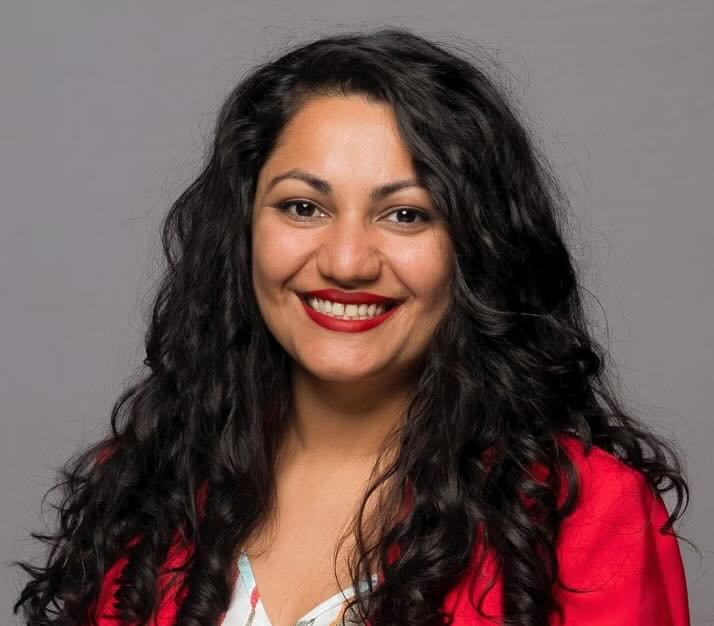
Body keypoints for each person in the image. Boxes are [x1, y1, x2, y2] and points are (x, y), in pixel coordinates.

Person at [13, 27, 691, 626]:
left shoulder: (586, 514)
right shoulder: (146, 485)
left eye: (406, 215)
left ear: (477, 248)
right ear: (242, 232)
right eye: (303, 207)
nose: (346, 262)